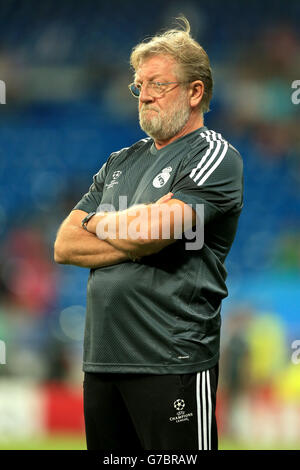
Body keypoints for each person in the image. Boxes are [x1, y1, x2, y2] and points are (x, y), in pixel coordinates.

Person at [54, 17, 243, 451]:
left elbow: (153, 234)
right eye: (139, 85)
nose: (145, 95)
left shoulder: (213, 154)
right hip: (101, 363)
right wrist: (132, 227)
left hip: (171, 361)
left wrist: (100, 223)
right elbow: (64, 244)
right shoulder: (119, 161)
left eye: (158, 84)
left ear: (196, 92)